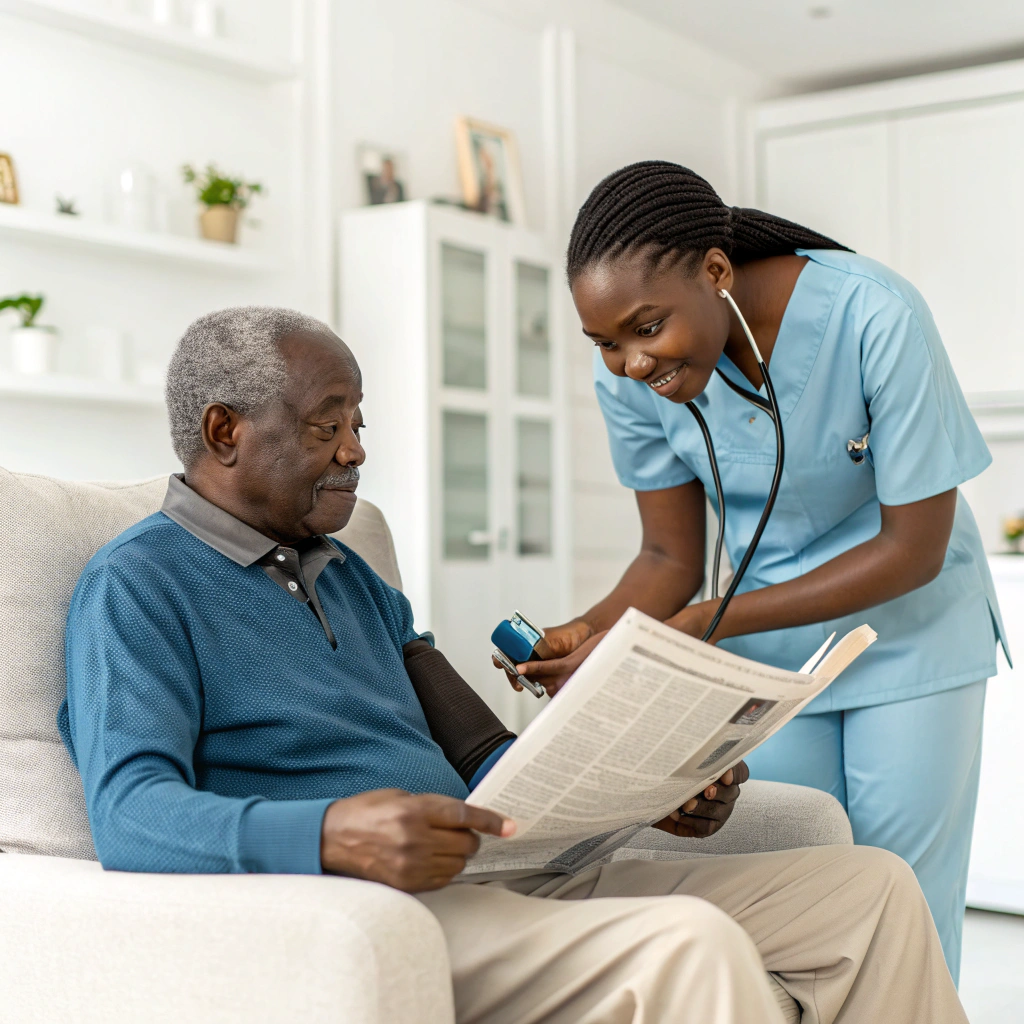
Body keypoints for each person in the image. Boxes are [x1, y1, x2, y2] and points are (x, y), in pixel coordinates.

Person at [59, 307, 968, 1023]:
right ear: (224, 431)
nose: (357, 451)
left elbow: (488, 755)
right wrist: (332, 833)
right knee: (685, 943)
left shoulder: (355, 580)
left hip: (512, 868)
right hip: (375, 907)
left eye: (359, 422)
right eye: (327, 425)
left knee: (870, 889)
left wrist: (660, 784)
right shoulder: (137, 586)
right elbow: (132, 816)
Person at [503, 161, 1005, 984]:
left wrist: (707, 623)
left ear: (715, 271)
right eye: (605, 343)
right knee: (797, 882)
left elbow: (912, 546)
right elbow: (667, 557)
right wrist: (590, 637)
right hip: (770, 658)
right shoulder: (631, 378)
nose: (630, 363)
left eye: (646, 328)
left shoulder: (873, 314)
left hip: (911, 632)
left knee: (903, 900)